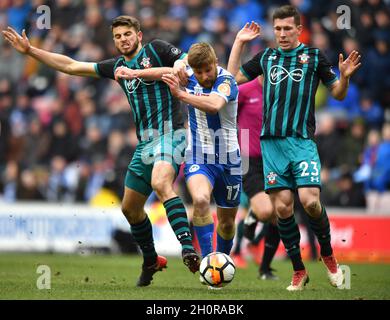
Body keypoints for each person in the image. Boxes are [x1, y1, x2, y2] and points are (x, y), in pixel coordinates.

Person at [2, 15, 201, 287]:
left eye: (127, 34)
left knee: (161, 182)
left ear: (138, 35)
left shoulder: (157, 49)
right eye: (118, 36)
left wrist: (179, 63)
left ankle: (188, 248)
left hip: (171, 134)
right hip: (145, 144)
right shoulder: (117, 66)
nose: (123, 40)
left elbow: (185, 61)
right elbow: (71, 66)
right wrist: (31, 51)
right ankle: (151, 260)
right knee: (130, 209)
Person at [228, 5, 361, 291]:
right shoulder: (266, 57)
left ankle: (329, 259)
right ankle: (298, 271)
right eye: (277, 29)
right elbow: (230, 80)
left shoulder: (314, 57)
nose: (282, 34)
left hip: (301, 141)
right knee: (283, 209)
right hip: (271, 145)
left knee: (310, 201)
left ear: (298, 29)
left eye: (288, 28)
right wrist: (239, 42)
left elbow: (337, 94)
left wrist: (345, 76)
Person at [161, 43, 242, 265]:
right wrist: (132, 72)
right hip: (199, 154)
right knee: (200, 199)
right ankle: (209, 262)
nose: (205, 76)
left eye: (208, 69)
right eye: (199, 72)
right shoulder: (187, 74)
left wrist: (181, 94)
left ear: (215, 62)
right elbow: (160, 72)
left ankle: (223, 258)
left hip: (229, 159)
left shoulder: (227, 81)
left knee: (226, 224)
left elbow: (214, 105)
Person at [237, 77, 280, 280]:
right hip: (249, 161)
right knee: (266, 211)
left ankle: (265, 268)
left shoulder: (281, 91)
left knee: (279, 215)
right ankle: (253, 216)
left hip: (275, 159)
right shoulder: (245, 90)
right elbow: (227, 116)